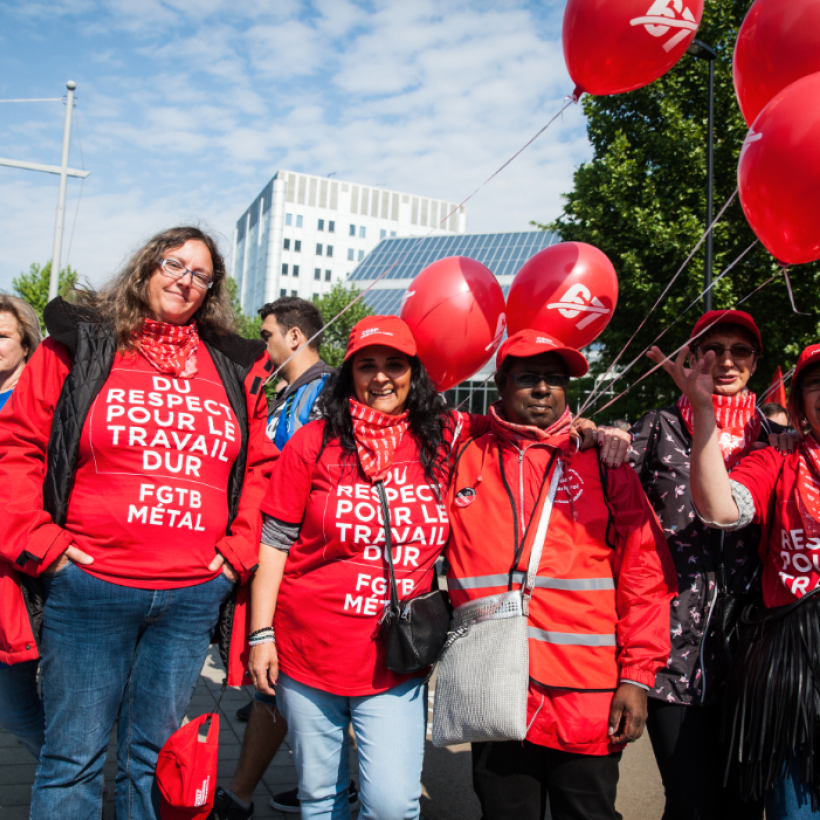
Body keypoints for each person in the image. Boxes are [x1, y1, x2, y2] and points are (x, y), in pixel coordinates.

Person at [0, 227, 276, 820]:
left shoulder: (230, 366)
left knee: (153, 759)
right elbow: (17, 447)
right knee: (72, 759)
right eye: (174, 264)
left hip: (190, 597)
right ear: (145, 267)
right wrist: (41, 544)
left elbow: (259, 467)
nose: (185, 281)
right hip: (88, 589)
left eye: (202, 275)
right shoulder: (79, 344)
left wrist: (237, 553)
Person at [445, 329, 678, 820]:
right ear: (501, 385)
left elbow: (645, 576)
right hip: (495, 686)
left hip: (586, 696)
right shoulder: (463, 454)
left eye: (555, 379)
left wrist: (637, 677)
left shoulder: (605, 462)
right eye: (529, 378)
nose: (544, 389)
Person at [653, 339, 820, 819]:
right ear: (802, 405)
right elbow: (721, 509)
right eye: (816, 383)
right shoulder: (778, 459)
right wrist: (704, 411)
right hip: (791, 675)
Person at [631, 310, 779, 820]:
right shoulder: (658, 427)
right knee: (692, 802)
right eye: (714, 349)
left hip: (753, 656)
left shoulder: (776, 440)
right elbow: (611, 498)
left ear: (755, 363)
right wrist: (592, 433)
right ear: (693, 357)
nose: (727, 361)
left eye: (741, 351)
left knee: (742, 804)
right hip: (669, 649)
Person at [213, 296, 348, 820]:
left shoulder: (327, 392)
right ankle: (331, 785)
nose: (263, 347)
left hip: (301, 564)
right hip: (276, 557)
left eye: (267, 335)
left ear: (295, 337)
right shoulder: (292, 392)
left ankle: (241, 796)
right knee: (288, 689)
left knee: (283, 685)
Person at [0, 295, 45, 760]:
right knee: (13, 708)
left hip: (32, 573)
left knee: (21, 705)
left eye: (2, 336)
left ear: (27, 344)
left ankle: (72, 787)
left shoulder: (40, 401)